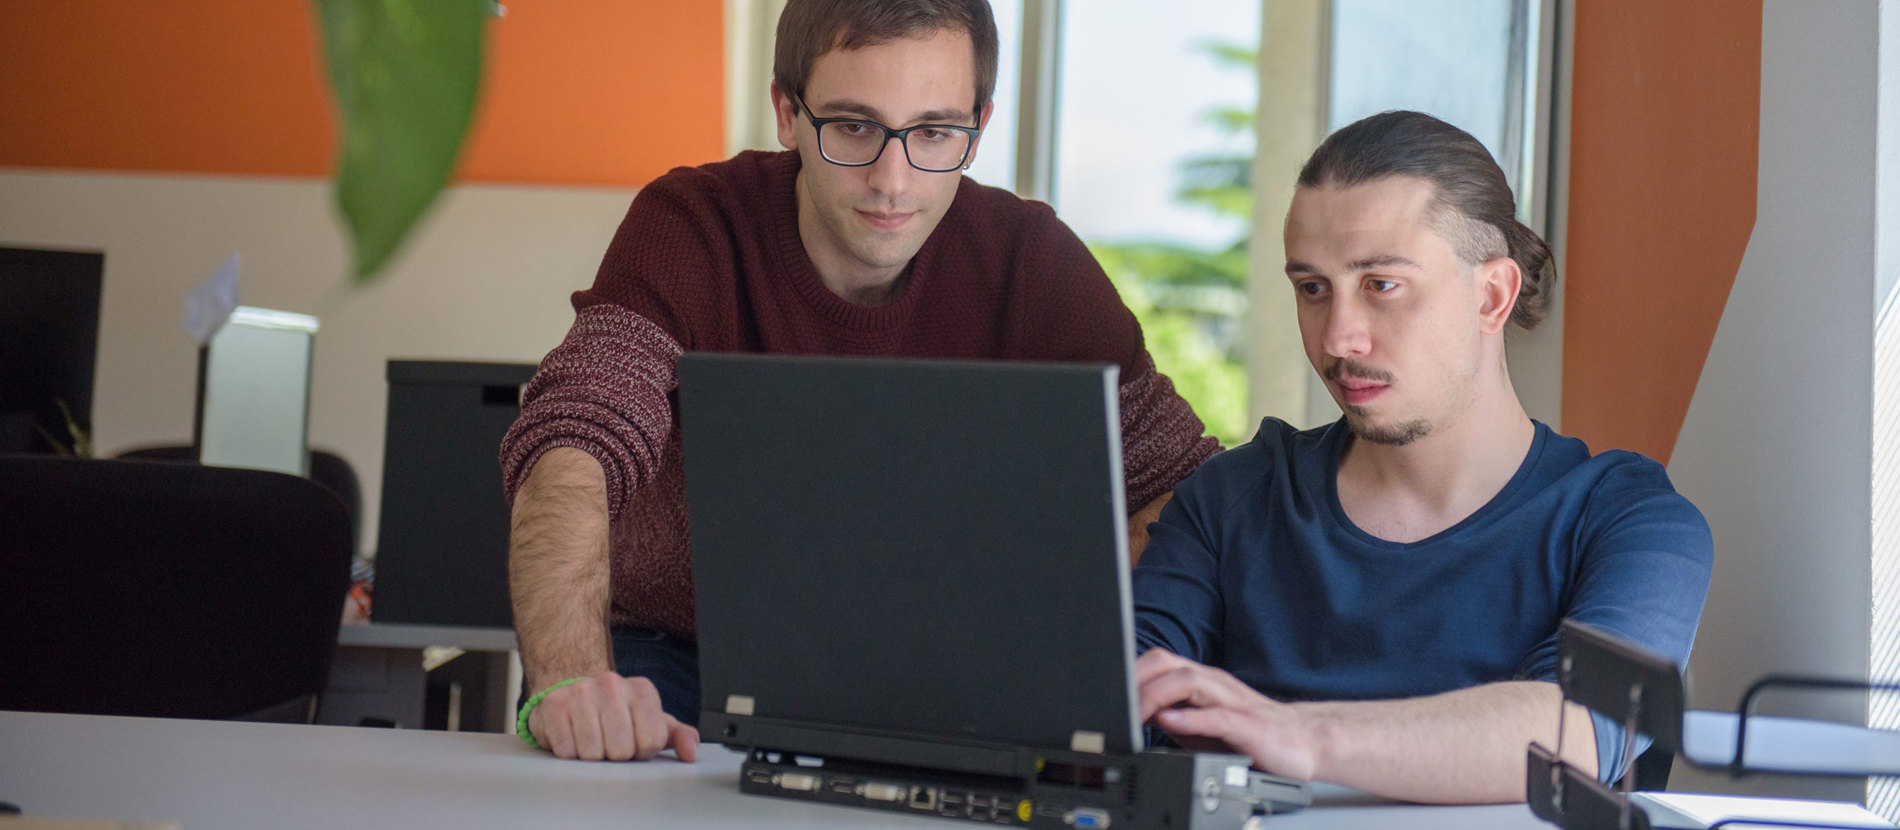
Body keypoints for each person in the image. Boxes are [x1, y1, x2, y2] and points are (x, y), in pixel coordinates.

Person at [500, 0, 1219, 763]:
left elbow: (1188, 489)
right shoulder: (692, 226)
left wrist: (1093, 657)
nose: (893, 180)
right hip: (669, 664)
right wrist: (571, 681)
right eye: (853, 127)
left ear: (978, 127)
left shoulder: (1032, 263)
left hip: (948, 682)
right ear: (786, 112)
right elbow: (574, 443)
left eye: (935, 133)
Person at [1129, 110, 1714, 804]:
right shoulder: (1232, 497)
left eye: (1381, 285)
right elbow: (1121, 696)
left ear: (1491, 295)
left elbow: (1583, 728)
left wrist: (1304, 737)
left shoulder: (1631, 520)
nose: (1339, 338)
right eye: (1313, 288)